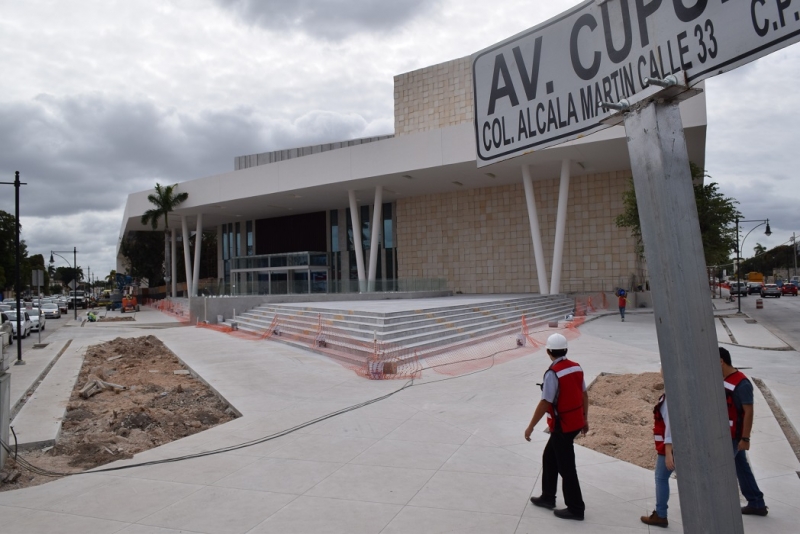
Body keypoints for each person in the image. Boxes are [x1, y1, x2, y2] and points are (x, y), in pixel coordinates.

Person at [525, 333, 588, 521]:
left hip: (563, 426)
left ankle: (576, 508)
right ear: (566, 349)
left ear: (548, 351)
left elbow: (545, 402)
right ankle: (547, 497)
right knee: (549, 458)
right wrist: (585, 419)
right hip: (574, 422)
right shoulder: (576, 367)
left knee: (567, 468)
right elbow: (584, 395)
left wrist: (530, 427)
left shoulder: (553, 373)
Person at [720, 347, 768, 516]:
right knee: (741, 467)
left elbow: (749, 412)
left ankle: (717, 505)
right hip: (727, 434)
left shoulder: (742, 384)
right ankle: (756, 503)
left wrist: (745, 439)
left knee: (720, 469)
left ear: (721, 361)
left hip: (735, 437)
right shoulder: (725, 378)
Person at [641, 369, 674, 528]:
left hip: (668, 448)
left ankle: (661, 515)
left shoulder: (670, 399)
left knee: (661, 478)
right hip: (670, 446)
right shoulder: (676, 393)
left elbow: (671, 426)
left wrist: (668, 452)